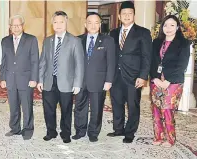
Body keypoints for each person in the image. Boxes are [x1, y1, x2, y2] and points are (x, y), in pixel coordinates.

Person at [108, 1, 152, 143]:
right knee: (116, 103)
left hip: (134, 77)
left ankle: (130, 132)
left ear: (134, 15)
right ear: (119, 16)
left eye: (130, 13)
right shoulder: (113, 33)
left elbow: (147, 56)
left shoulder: (143, 32)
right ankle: (118, 129)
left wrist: (143, 76)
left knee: (133, 105)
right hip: (116, 76)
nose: (127, 16)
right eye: (124, 13)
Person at [37, 11, 84, 144]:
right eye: (55, 22)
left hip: (67, 83)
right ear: (52, 24)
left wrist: (77, 83)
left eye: (61, 22)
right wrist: (40, 79)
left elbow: (79, 64)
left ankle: (66, 133)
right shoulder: (47, 40)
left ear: (66, 22)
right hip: (48, 81)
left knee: (66, 110)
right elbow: (43, 62)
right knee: (48, 109)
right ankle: (51, 132)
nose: (58, 25)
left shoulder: (75, 41)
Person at [72, 12, 116, 142]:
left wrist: (109, 80)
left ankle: (93, 133)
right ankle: (80, 131)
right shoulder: (78, 40)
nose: (93, 25)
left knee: (96, 108)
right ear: (85, 24)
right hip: (80, 80)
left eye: (96, 22)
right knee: (79, 106)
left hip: (99, 80)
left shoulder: (108, 40)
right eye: (89, 22)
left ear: (100, 24)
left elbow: (111, 62)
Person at [150, 15, 189, 147]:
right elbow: (151, 62)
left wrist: (168, 81)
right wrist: (155, 78)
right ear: (162, 27)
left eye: (172, 25)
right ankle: (158, 136)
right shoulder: (156, 42)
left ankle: (170, 139)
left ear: (177, 27)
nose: (168, 28)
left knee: (167, 109)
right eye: (166, 25)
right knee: (156, 108)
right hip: (156, 80)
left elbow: (182, 65)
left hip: (173, 82)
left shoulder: (183, 43)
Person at [0, 14, 38, 140]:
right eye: (13, 25)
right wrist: (3, 78)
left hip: (26, 79)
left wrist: (34, 78)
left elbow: (34, 61)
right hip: (10, 79)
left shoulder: (31, 39)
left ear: (23, 25)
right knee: (13, 105)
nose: (16, 27)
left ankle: (28, 129)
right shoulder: (5, 41)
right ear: (10, 27)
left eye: (18, 25)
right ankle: (15, 128)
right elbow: (3, 61)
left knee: (27, 106)